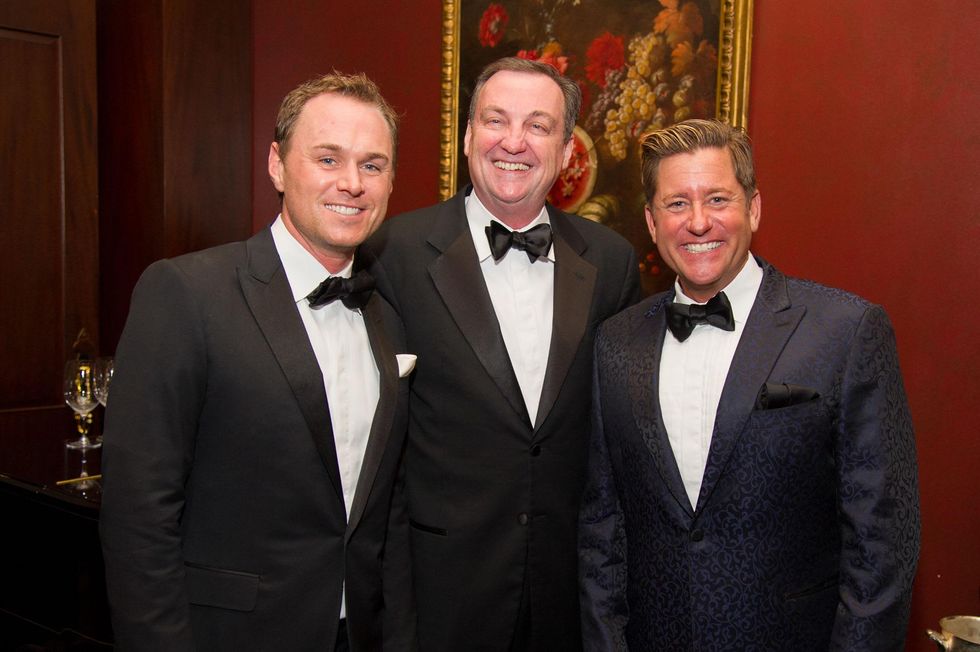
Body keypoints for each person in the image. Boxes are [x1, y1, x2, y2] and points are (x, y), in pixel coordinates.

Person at [99, 73, 416, 652]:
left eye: (373, 165)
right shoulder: (186, 294)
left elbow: (383, 513)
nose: (352, 183)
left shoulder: (386, 317)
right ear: (277, 164)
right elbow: (138, 517)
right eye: (327, 158)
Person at [578, 118, 920, 650]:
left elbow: (881, 547)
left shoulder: (846, 331)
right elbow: (603, 529)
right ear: (650, 220)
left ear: (753, 208)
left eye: (717, 199)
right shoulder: (615, 343)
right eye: (675, 204)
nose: (697, 223)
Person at [361, 57, 640, 652]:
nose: (514, 142)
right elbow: (375, 448)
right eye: (495, 120)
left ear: (567, 152)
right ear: (467, 136)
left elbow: (617, 437)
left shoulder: (612, 261)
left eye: (538, 126)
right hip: (443, 594)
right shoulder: (393, 252)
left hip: (566, 595)